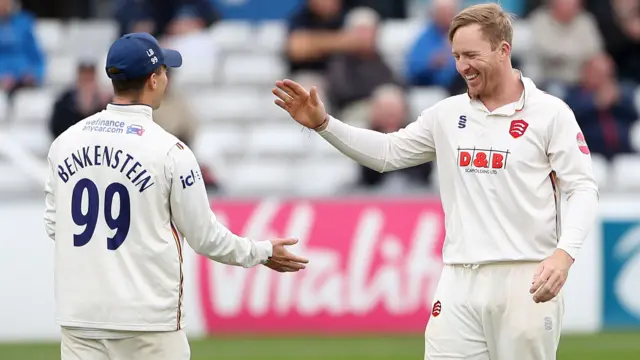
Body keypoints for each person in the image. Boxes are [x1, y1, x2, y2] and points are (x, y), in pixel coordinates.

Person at [272, 3, 598, 359]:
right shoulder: (448, 113)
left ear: (504, 50)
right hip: (458, 279)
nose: (463, 66)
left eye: (472, 54)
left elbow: (581, 187)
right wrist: (324, 124)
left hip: (526, 278)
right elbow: (388, 153)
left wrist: (564, 255)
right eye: (456, 55)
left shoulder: (550, 113)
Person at [44, 32, 308, 360]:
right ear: (153, 80)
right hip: (147, 321)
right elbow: (206, 238)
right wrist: (263, 251)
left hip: (80, 317)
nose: (167, 79)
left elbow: (56, 225)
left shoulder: (65, 142)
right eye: (165, 72)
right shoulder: (171, 151)